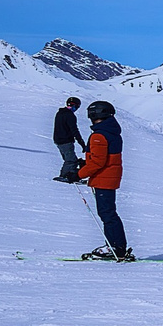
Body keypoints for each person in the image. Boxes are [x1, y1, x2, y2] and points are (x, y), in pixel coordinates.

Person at [75, 100, 131, 260]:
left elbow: (98, 162)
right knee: (109, 213)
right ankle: (115, 246)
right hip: (109, 177)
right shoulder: (112, 132)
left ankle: (116, 248)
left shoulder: (99, 135)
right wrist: (86, 163)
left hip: (103, 178)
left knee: (107, 213)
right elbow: (103, 158)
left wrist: (78, 175)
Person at [52, 95, 83, 181]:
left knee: (70, 159)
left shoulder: (60, 113)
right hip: (66, 141)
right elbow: (74, 130)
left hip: (58, 140)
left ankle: (72, 175)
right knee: (71, 160)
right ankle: (65, 176)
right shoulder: (70, 115)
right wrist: (81, 142)